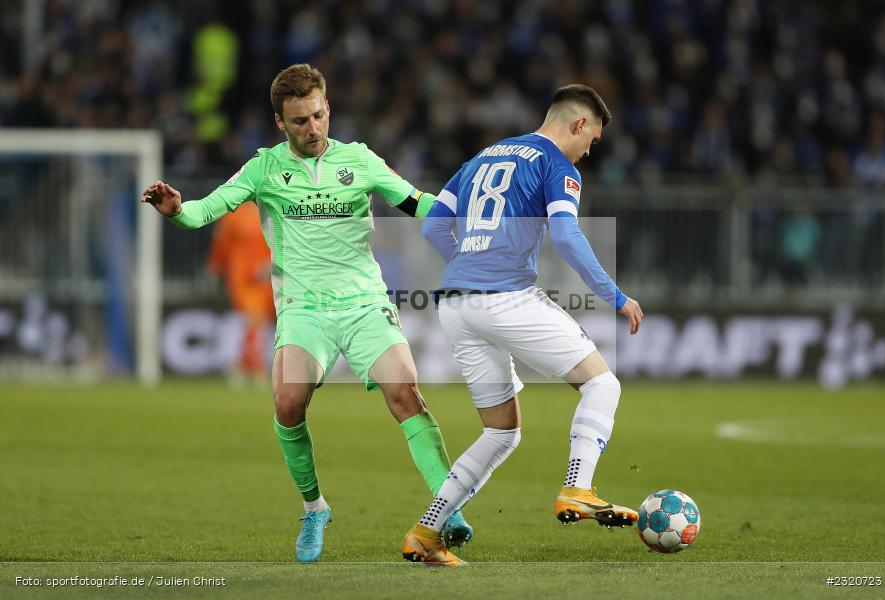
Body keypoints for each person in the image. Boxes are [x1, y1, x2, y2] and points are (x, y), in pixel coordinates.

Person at [141, 63, 471, 564]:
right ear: (280, 122)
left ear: (328, 109)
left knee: (405, 394)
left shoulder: (359, 160)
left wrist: (471, 218)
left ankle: (448, 508)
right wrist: (178, 211)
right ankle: (315, 507)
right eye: (299, 121)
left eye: (318, 116)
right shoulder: (263, 169)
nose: (312, 129)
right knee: (288, 404)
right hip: (303, 309)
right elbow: (207, 210)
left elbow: (415, 202)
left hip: (363, 303)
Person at [402, 84, 644, 566]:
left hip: (456, 305)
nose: (588, 152)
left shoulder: (482, 157)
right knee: (602, 384)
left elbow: (431, 225)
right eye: (591, 141)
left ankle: (426, 533)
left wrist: (470, 266)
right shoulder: (558, 164)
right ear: (578, 125)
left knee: (501, 431)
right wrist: (616, 297)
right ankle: (578, 486)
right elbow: (568, 236)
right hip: (505, 298)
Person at [207, 202, 276, 387]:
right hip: (241, 276)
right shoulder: (234, 214)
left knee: (258, 322)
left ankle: (242, 366)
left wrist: (271, 263)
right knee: (252, 319)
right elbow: (222, 243)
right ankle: (255, 368)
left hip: (265, 276)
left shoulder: (274, 209)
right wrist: (216, 266)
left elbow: (284, 241)